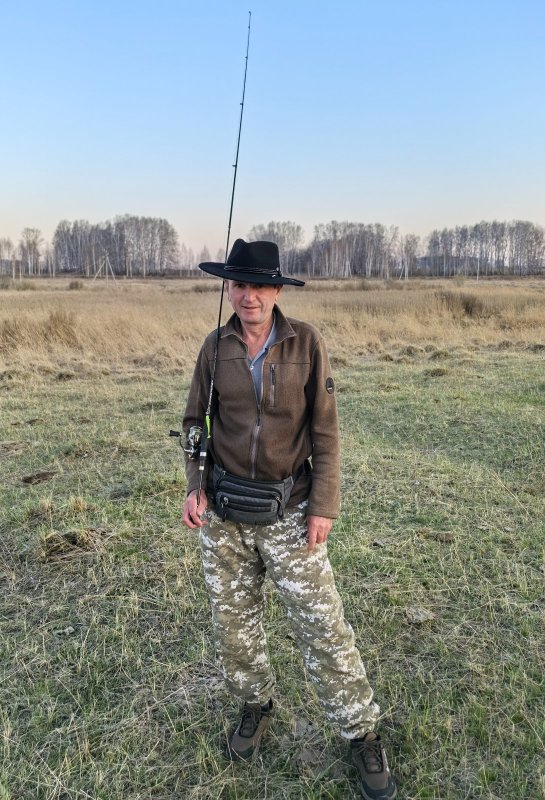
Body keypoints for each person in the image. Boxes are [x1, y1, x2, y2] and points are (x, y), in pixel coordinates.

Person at [181, 239, 396, 800]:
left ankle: (361, 732)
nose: (248, 296)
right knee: (234, 625)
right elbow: (195, 423)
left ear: (277, 290)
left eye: (259, 286)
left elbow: (326, 431)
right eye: (238, 285)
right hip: (225, 514)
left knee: (323, 625)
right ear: (229, 289)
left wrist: (322, 505)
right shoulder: (214, 347)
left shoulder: (307, 343)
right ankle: (254, 705)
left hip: (291, 511)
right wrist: (194, 486)